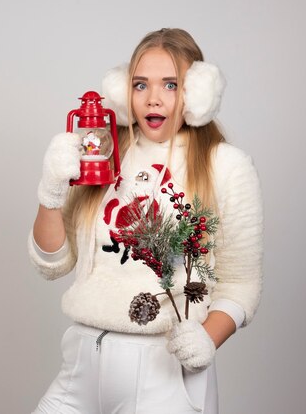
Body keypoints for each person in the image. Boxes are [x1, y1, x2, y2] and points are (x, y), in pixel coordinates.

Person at [29, 28, 263, 414]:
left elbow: (242, 284)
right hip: (81, 364)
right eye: (140, 85)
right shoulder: (101, 153)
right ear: (124, 94)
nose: (153, 98)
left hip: (162, 377)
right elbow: (52, 264)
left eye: (170, 84)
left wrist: (207, 338)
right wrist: (50, 193)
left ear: (197, 93)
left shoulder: (226, 167)